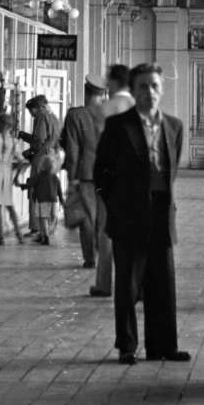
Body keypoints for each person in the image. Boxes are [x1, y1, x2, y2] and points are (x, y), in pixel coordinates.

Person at [94, 62, 190, 365]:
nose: (150, 92)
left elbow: (171, 169)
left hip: (162, 212)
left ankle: (163, 345)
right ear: (134, 91)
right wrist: (116, 208)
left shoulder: (174, 126)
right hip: (128, 214)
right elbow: (101, 175)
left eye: (155, 86)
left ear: (162, 89)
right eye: (144, 87)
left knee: (163, 282)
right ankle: (127, 345)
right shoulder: (118, 126)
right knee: (128, 283)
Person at [85, 65, 133, 296]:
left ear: (113, 83)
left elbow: (98, 146)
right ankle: (135, 283)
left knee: (106, 230)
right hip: (135, 179)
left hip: (110, 178)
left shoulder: (104, 109)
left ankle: (105, 283)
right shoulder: (140, 107)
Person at [60, 77, 107, 269]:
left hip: (85, 173)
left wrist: (71, 178)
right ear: (103, 95)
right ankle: (104, 255)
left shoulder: (75, 115)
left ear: (86, 93)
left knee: (87, 217)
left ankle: (89, 258)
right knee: (104, 218)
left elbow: (72, 150)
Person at [19, 93, 63, 244]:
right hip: (53, 154)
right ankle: (49, 226)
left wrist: (29, 149)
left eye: (31, 111)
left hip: (42, 154)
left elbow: (38, 139)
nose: (31, 115)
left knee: (36, 188)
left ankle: (36, 228)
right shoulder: (55, 117)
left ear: (38, 107)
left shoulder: (41, 115)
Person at [0, 112, 27, 244]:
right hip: (7, 170)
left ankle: (0, 237)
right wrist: (16, 176)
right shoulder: (14, 142)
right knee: (9, 203)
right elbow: (21, 161)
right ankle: (19, 232)